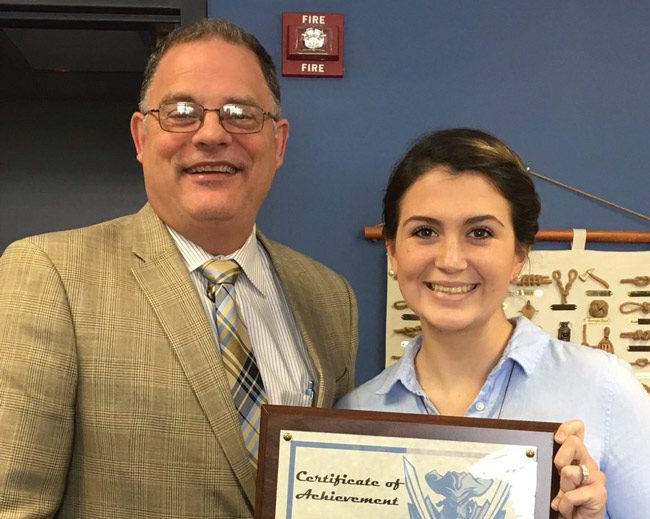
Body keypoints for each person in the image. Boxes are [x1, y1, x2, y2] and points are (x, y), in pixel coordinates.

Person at [0, 18, 357, 518]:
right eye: (181, 112)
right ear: (141, 136)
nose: (211, 133)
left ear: (277, 143)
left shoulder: (329, 296)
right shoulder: (49, 275)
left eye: (240, 113)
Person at [337, 128, 650, 518]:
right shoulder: (354, 416)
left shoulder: (606, 388)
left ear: (520, 253)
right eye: (425, 231)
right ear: (393, 251)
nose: (451, 259)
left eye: (480, 233)